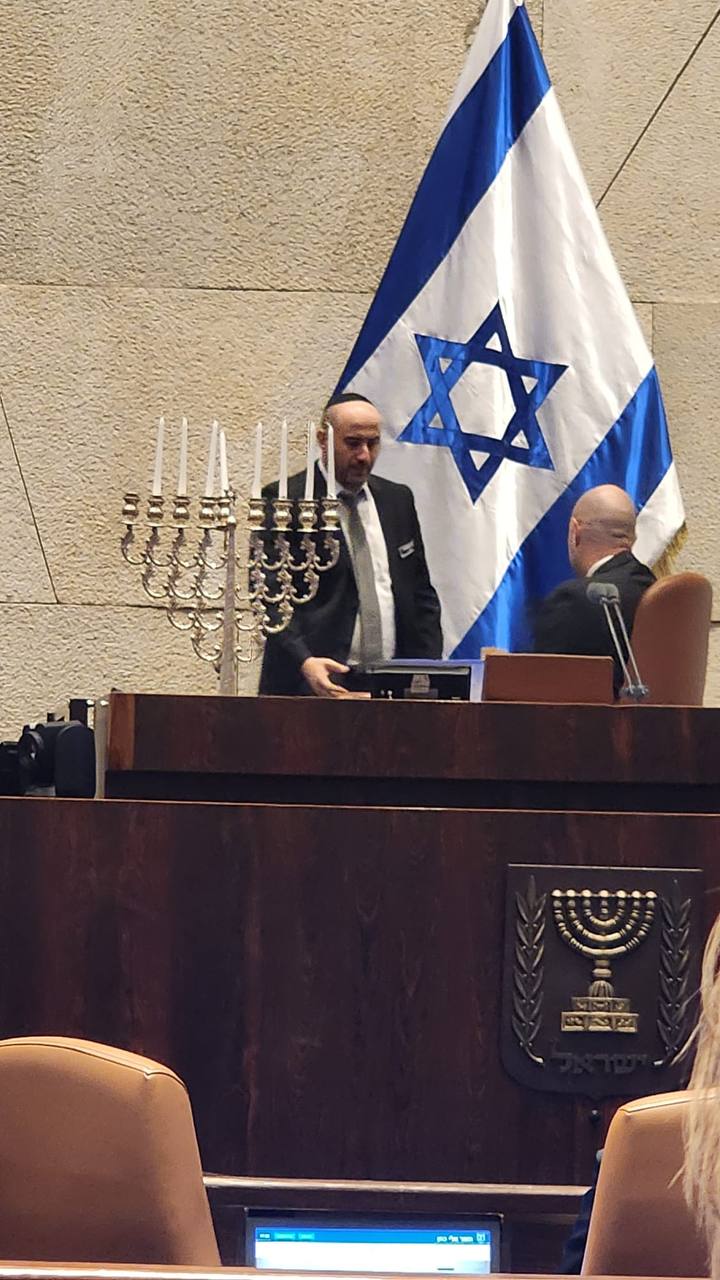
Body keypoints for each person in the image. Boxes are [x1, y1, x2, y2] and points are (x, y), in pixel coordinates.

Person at [259, 392, 443, 697]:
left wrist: (427, 673)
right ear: (323, 440)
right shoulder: (285, 501)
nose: (364, 456)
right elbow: (270, 595)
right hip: (314, 684)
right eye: (353, 443)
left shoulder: (397, 500)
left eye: (373, 443)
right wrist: (303, 661)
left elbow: (420, 594)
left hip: (390, 687)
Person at [532, 484, 655, 691]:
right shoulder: (653, 588)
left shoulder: (573, 600)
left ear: (575, 532)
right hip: (661, 723)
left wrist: (496, 668)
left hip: (590, 723)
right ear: (632, 537)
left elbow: (538, 693)